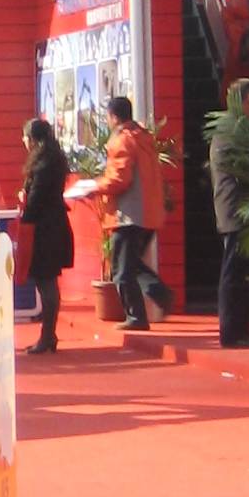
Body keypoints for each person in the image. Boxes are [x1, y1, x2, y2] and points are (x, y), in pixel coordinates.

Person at [101, 95, 171, 328]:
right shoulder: (143, 138)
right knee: (130, 264)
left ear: (113, 117)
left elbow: (119, 179)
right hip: (148, 213)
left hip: (127, 214)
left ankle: (136, 315)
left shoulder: (122, 141)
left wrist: (94, 186)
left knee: (121, 270)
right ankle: (158, 293)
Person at [210, 79, 249, 347]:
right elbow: (243, 168)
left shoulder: (233, 128)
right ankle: (231, 332)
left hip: (240, 209)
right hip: (235, 209)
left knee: (243, 273)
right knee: (233, 273)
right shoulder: (231, 129)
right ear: (245, 100)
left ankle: (243, 328)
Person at [19, 115, 74, 353]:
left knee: (45, 280)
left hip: (45, 230)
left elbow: (36, 200)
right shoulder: (54, 159)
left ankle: (48, 336)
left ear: (32, 139)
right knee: (48, 280)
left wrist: (24, 204)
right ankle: (48, 335)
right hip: (55, 225)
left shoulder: (43, 164)